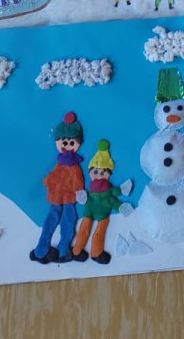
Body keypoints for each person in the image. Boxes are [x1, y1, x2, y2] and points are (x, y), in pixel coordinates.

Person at [31, 111, 85, 264]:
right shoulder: (67, 163)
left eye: (71, 143)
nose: (67, 146)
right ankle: (53, 249)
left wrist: (79, 191)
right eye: (64, 142)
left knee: (64, 218)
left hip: (64, 195)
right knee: (64, 219)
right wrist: (49, 181)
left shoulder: (70, 164)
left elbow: (75, 179)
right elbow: (58, 176)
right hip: (61, 195)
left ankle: (53, 249)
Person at [72, 139, 133, 265]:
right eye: (95, 171)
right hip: (91, 208)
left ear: (108, 173)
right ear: (90, 172)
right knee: (85, 229)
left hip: (101, 211)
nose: (99, 174)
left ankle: (95, 252)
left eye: (102, 172)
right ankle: (77, 251)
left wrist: (120, 204)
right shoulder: (94, 190)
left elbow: (115, 196)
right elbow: (116, 195)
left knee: (98, 232)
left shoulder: (109, 190)